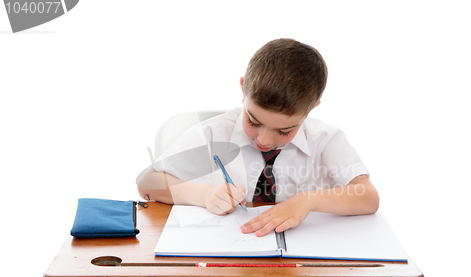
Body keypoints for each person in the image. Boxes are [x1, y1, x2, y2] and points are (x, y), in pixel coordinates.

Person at [137, 38, 379, 236]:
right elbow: (148, 182)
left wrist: (307, 201)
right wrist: (204, 194)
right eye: (253, 121)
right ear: (243, 89)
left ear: (312, 108)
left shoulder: (325, 140)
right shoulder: (212, 134)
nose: (264, 140)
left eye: (284, 131)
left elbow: (368, 197)